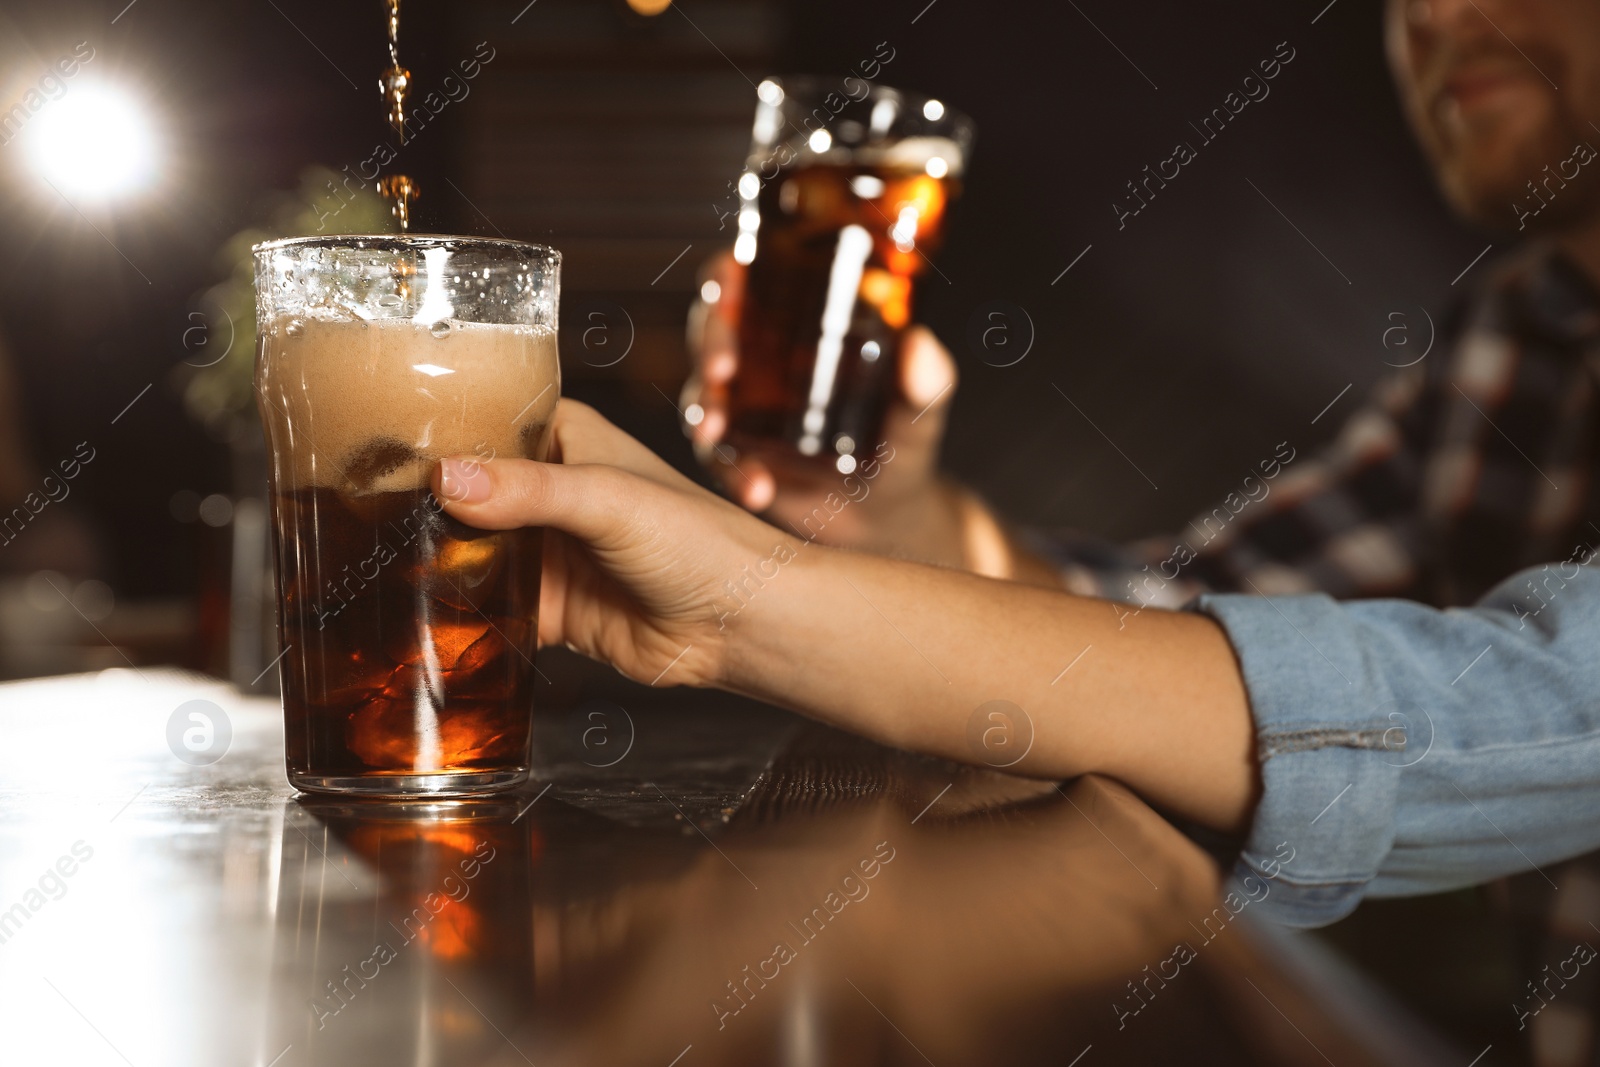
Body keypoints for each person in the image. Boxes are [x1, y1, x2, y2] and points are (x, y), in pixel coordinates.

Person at [430, 0, 1600, 1026]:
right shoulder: (1520, 332)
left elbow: (1526, 707)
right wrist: (892, 522)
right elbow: (1179, 639)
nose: (1438, 11)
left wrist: (747, 607)